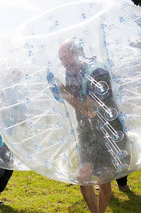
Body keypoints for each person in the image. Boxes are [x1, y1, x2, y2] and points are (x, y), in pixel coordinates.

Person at [54, 39, 130, 213]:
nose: (64, 63)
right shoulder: (72, 73)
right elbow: (78, 102)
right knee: (84, 176)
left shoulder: (97, 72)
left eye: (67, 57)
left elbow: (90, 110)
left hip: (106, 131)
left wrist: (64, 93)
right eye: (61, 59)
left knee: (104, 180)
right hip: (87, 131)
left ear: (79, 52)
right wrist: (59, 90)